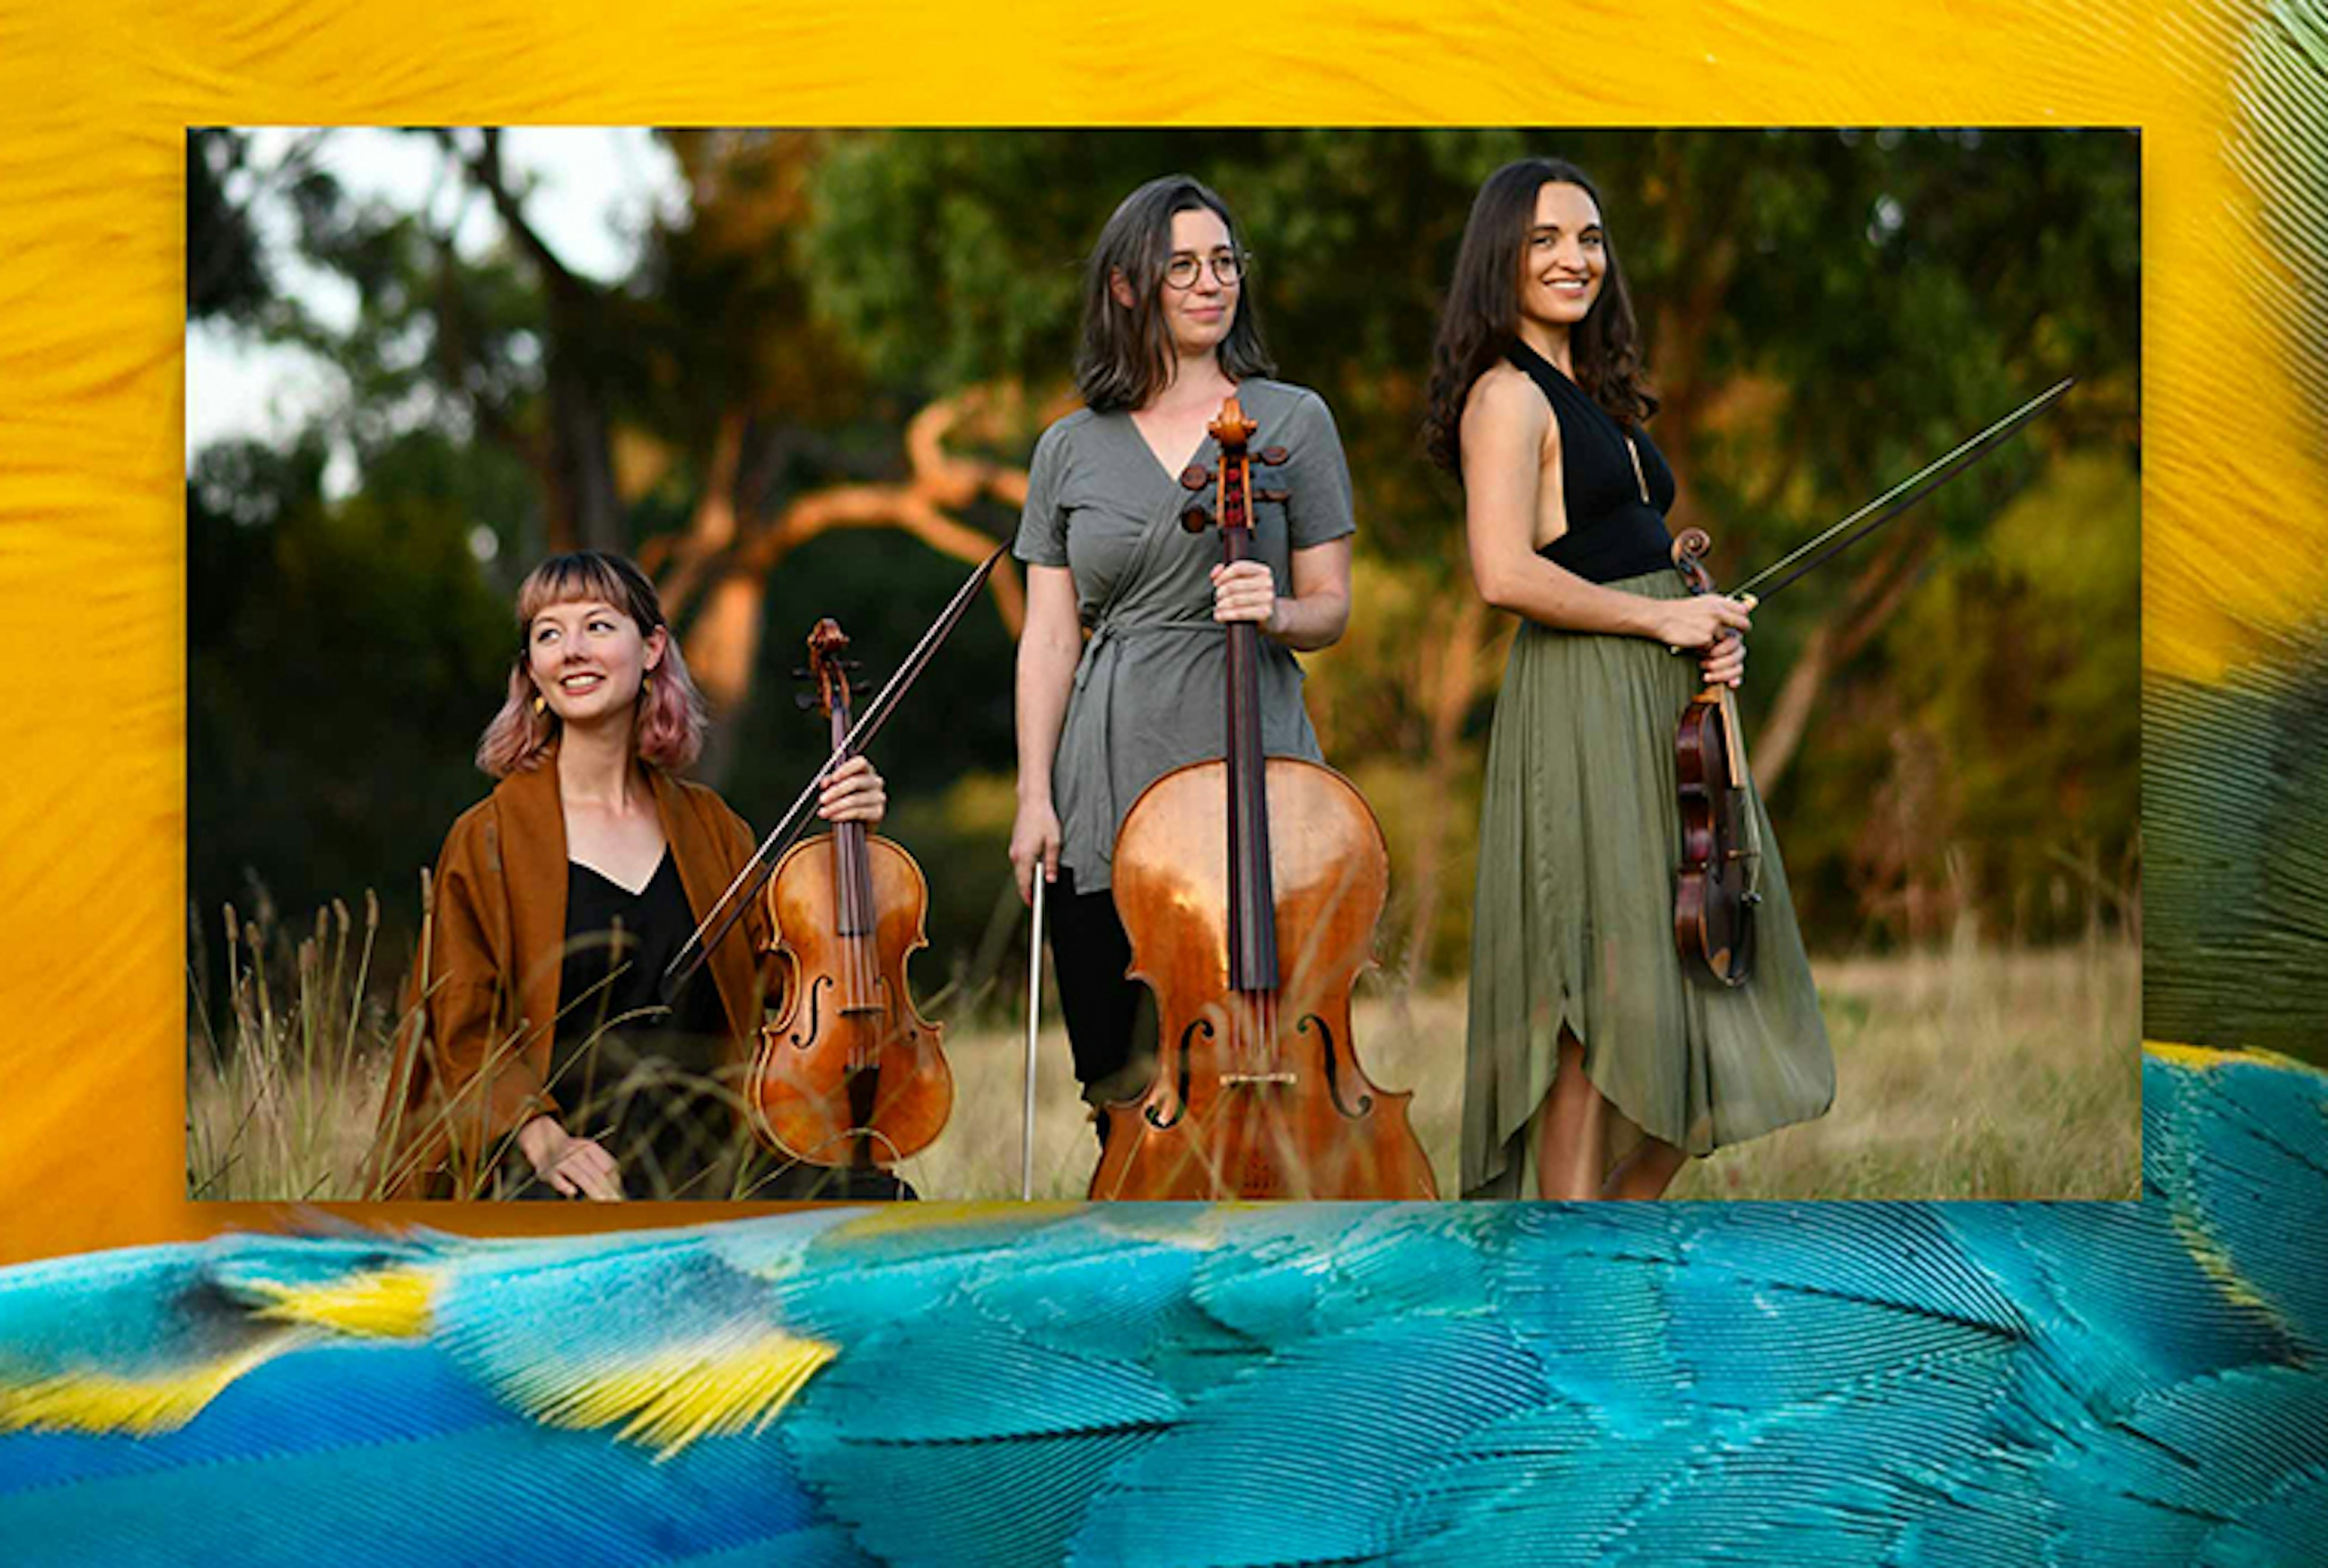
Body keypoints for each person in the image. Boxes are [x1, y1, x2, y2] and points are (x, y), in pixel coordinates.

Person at [1422, 158, 1833, 1201]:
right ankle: (1568, 1256)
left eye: (1592, 239)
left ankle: (1604, 1235)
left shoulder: (1593, 398)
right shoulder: (1505, 397)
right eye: (1547, 240)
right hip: (1581, 709)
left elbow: (1630, 558)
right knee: (1592, 997)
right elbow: (1503, 571)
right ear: (1500, 260)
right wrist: (1662, 616)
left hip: (1654, 704)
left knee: (1688, 984)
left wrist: (1705, 631)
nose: (1575, 259)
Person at [372, 550, 892, 1201]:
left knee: (874, 1201)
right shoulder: (488, 838)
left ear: (651, 648)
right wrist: (542, 1137)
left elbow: (795, 987)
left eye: (597, 625)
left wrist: (853, 845)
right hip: (551, 1165)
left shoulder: (712, 828)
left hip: (711, 1163)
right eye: (549, 634)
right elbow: (462, 1023)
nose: (572, 651)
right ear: (531, 669)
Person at [1009, 174, 1357, 1136]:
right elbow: (1049, 635)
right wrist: (1035, 794)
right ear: (1127, 288)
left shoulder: (1294, 421)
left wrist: (1276, 609)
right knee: (1123, 1085)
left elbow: (1332, 608)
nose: (1214, 284)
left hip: (1257, 757)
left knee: (1275, 1057)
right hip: (1111, 766)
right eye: (1184, 268)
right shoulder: (1068, 448)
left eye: (1225, 263)